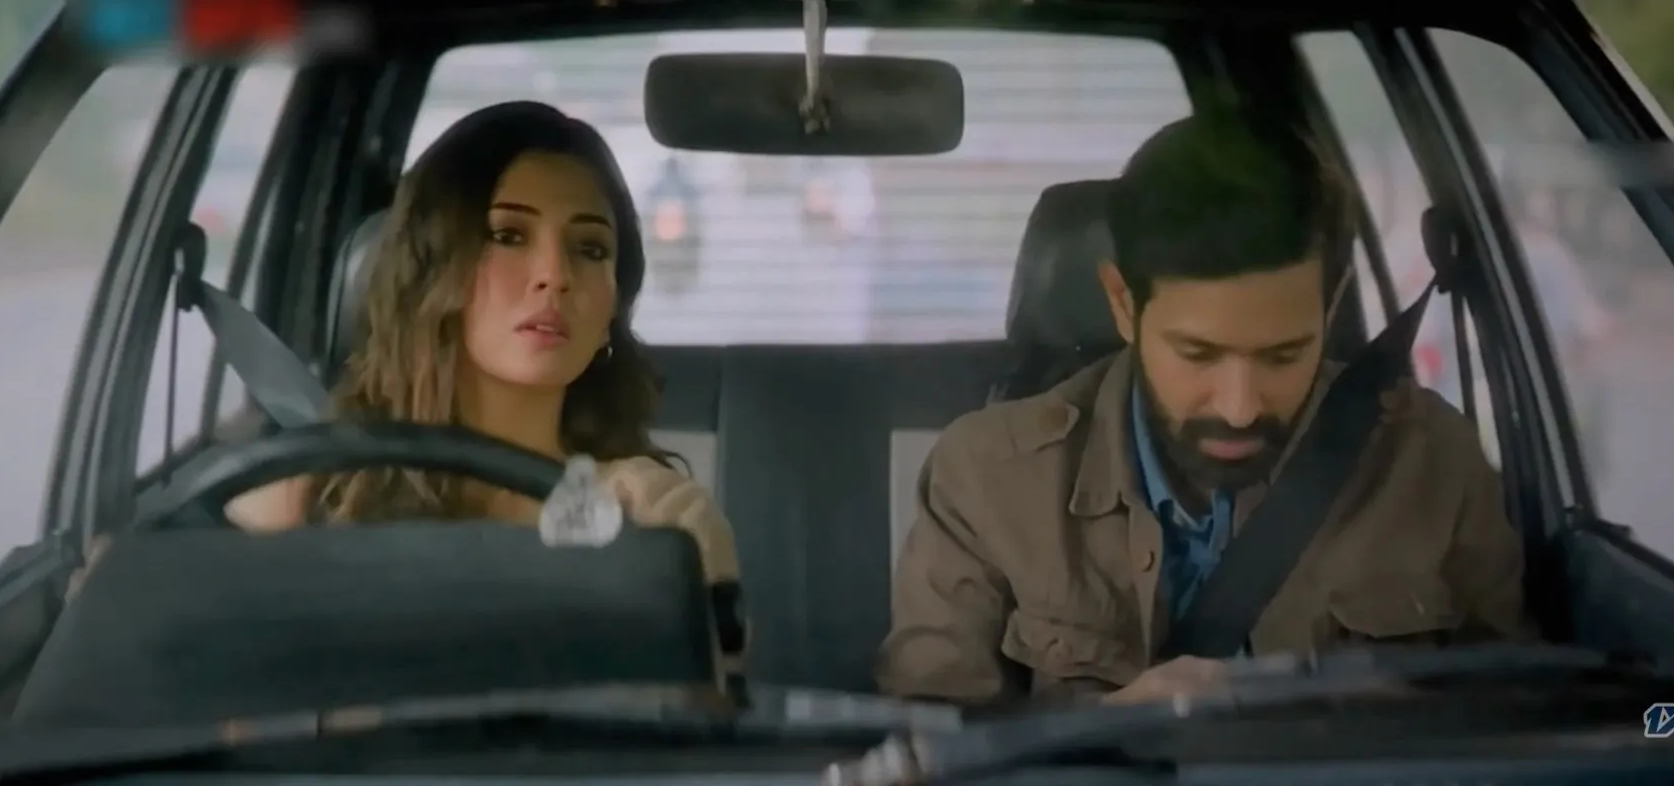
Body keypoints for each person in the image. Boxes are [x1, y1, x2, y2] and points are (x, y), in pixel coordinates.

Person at [878, 115, 1533, 709]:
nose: (1240, 408)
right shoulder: (988, 479)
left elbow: (1523, 715)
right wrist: (1104, 733)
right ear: (1123, 304)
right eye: (1198, 354)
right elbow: (930, 741)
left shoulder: (1431, 462)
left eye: (1283, 354)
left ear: (1331, 307)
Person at [204, 102, 744, 665]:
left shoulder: (654, 520)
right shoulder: (314, 498)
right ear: (433, 272)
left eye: (590, 249)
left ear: (613, 306)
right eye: (508, 235)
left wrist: (681, 567)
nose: (555, 275)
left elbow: (711, 705)